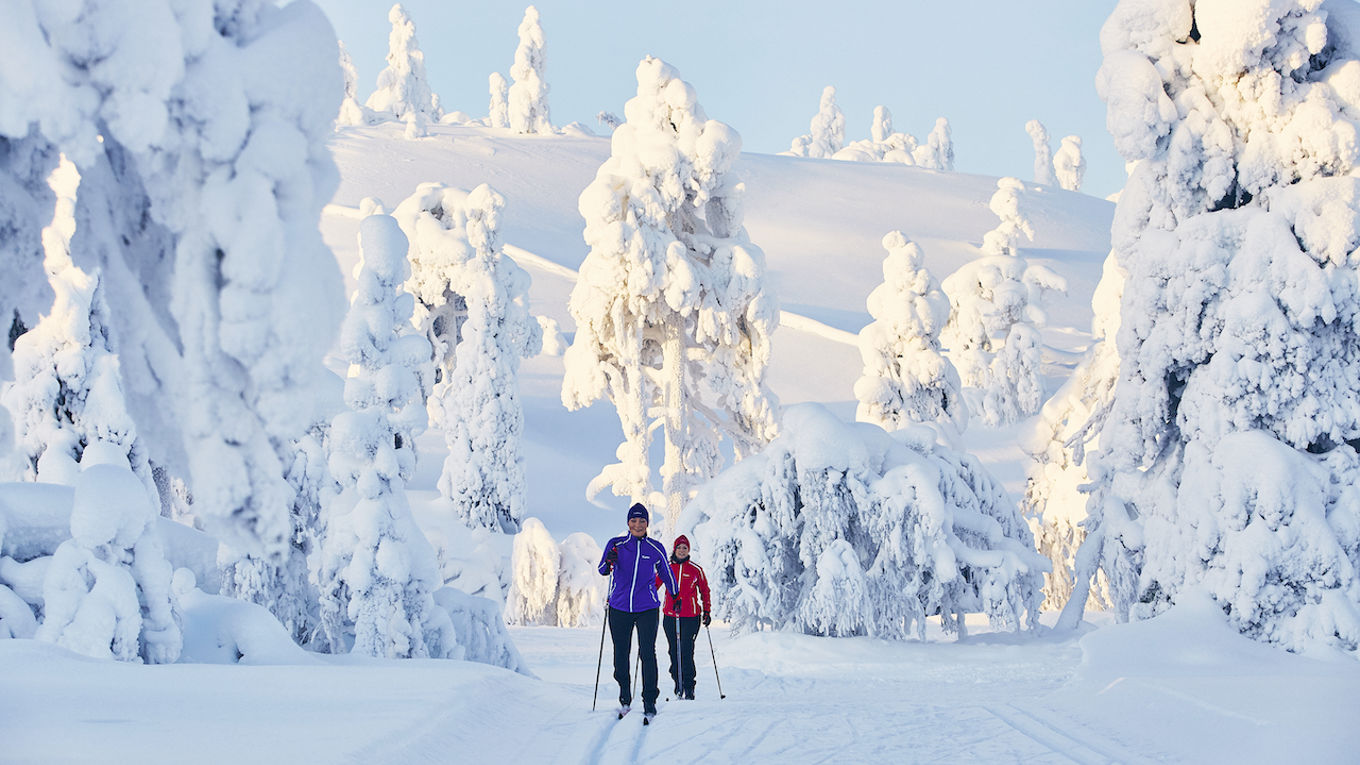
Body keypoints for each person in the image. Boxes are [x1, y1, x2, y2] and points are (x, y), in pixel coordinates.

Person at [598, 502, 679, 718]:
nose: (638, 524)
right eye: (633, 520)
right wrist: (609, 560)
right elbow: (603, 570)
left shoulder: (655, 548)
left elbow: (666, 572)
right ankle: (624, 694)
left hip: (647, 608)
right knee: (621, 653)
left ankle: (649, 700)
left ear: (647, 523)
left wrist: (675, 594)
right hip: (619, 607)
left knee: (647, 652)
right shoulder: (616, 544)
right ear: (628, 523)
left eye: (642, 520)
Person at [658, 534, 711, 700]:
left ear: (688, 550)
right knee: (674, 651)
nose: (682, 551)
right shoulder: (666, 568)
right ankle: (678, 683)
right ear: (674, 549)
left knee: (686, 650)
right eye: (679, 548)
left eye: (685, 548)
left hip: (691, 617)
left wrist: (707, 611)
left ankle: (689, 686)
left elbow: (705, 591)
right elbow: (653, 585)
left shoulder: (696, 570)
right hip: (670, 616)